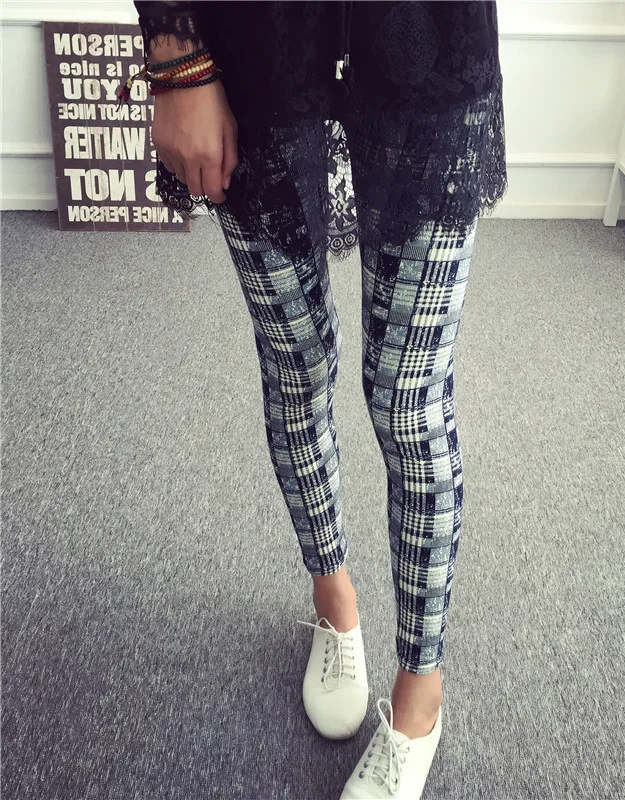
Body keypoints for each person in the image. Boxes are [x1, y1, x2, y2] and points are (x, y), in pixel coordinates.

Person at [130, 2, 508, 797]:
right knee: (295, 363)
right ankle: (335, 601)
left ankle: (420, 694)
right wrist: (175, 58)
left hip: (431, 39)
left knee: (409, 400)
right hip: (253, 41)